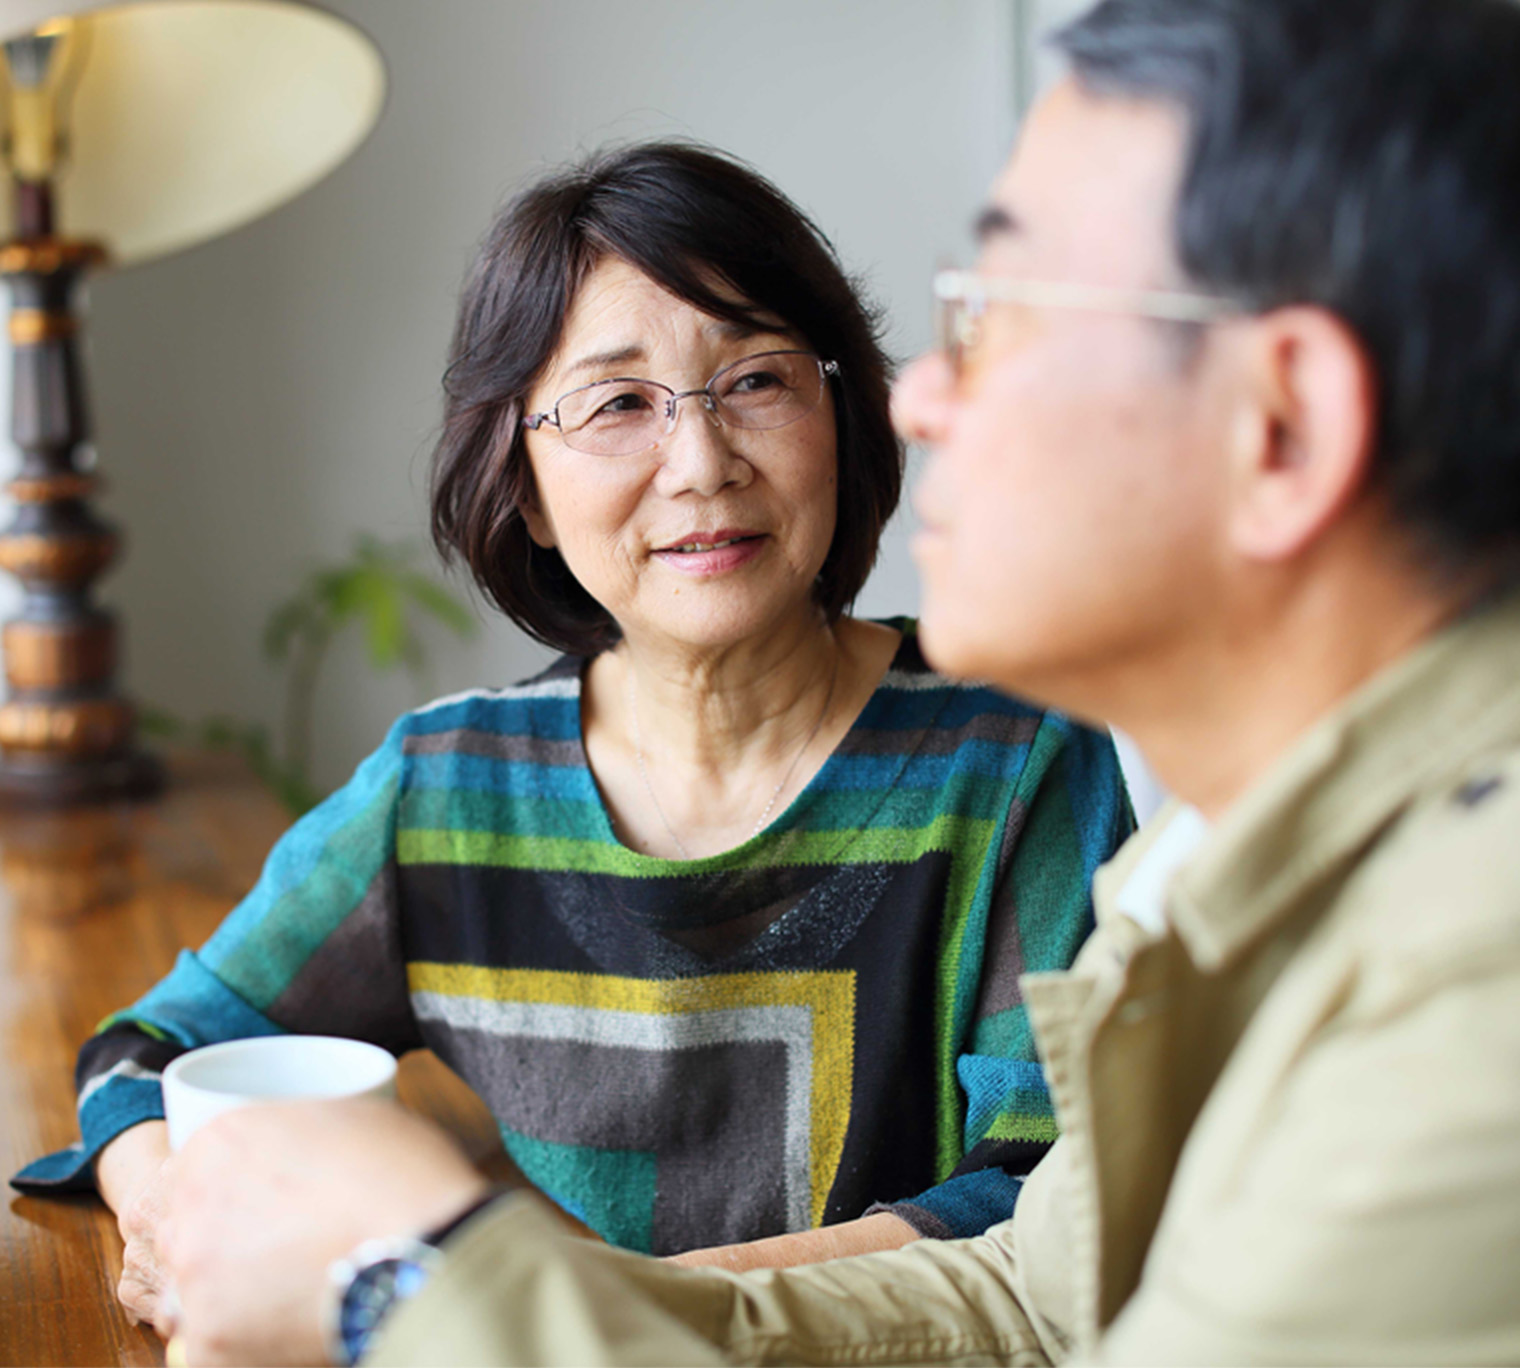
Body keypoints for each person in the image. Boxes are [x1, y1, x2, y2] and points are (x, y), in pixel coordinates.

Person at [143, 0, 1520, 1363]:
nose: (915, 399)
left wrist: (412, 1288)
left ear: (1280, 426)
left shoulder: (1474, 994)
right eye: (622, 405)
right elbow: (1029, 1301)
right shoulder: (1225, 860)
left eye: (1008, 313)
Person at [11, 144, 1133, 1336]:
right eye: (618, 405)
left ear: (841, 415)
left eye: (754, 379)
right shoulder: (450, 791)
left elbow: (1046, 1201)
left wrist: (586, 1317)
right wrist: (163, 1212)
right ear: (527, 488)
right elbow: (151, 1051)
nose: (699, 463)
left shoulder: (1019, 757)